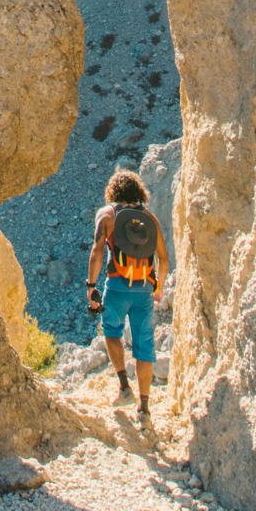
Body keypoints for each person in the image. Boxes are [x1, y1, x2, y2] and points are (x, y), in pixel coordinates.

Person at [86, 167, 169, 424]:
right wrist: (158, 289)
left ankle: (124, 387)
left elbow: (98, 250)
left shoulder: (108, 215)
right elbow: (163, 260)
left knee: (111, 332)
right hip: (144, 289)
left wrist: (91, 285)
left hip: (117, 286)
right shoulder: (151, 219)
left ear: (113, 191)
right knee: (144, 346)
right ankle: (144, 409)